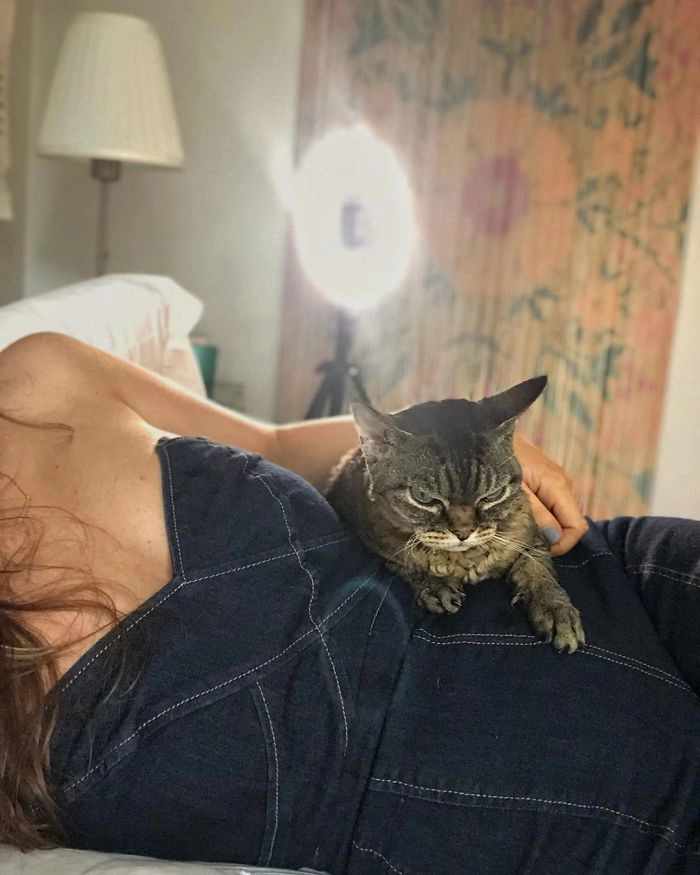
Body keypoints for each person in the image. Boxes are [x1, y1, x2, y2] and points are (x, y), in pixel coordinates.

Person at [1, 331, 699, 874]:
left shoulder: (40, 373)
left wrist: (447, 452)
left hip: (627, 581)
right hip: (573, 825)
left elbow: (274, 442)